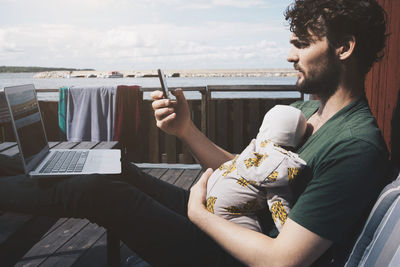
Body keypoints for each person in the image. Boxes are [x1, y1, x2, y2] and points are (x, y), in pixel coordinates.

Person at [0, 0, 390, 266]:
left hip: (230, 252)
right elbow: (246, 170)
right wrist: (186, 129)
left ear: (343, 48)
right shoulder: (309, 111)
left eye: (302, 45)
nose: (290, 56)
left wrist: (196, 213)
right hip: (226, 220)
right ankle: (10, 171)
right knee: (118, 168)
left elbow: (281, 259)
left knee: (98, 192)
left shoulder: (354, 145)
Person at [206, 105, 308, 232]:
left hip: (210, 196)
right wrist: (288, 234)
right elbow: (278, 202)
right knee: (252, 239)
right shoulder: (278, 164)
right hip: (229, 212)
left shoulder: (254, 147)